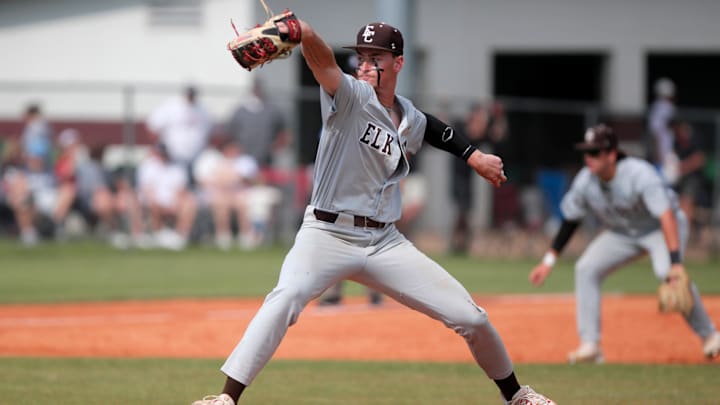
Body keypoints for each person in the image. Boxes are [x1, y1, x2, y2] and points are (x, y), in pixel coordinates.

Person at [192, 20, 554, 405]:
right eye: (360, 57)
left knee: (472, 318)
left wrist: (475, 156)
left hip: (384, 242)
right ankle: (226, 399)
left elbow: (431, 127)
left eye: (374, 58)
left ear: (397, 63)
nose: (363, 65)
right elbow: (323, 64)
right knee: (285, 298)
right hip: (326, 235)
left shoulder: (407, 116)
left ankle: (516, 396)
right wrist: (308, 36)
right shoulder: (349, 96)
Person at [528, 124, 720, 364]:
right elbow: (571, 220)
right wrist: (549, 261)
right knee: (586, 268)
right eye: (586, 152)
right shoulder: (585, 181)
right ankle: (591, 345)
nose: (589, 158)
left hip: (660, 229)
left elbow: (666, 216)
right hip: (622, 233)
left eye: (595, 152)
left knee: (668, 272)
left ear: (611, 154)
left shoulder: (639, 174)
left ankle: (710, 335)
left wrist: (676, 263)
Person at [146, 85, 214, 183]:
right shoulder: (171, 106)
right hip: (173, 157)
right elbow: (153, 127)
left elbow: (209, 132)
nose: (191, 97)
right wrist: (157, 149)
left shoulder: (203, 109)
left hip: (196, 157)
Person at [136, 143, 198, 250]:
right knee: (152, 203)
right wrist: (159, 203)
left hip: (174, 202)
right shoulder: (147, 166)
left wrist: (175, 204)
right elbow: (147, 190)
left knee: (190, 202)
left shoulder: (178, 167)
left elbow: (181, 190)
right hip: (154, 201)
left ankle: (181, 237)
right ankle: (158, 234)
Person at [449, 102, 490, 254]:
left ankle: (462, 243)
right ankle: (456, 243)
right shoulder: (460, 127)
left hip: (468, 179)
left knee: (466, 211)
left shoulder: (480, 135)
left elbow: (497, 137)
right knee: (461, 211)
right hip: (457, 177)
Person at [225, 78, 291, 168]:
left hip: (266, 159)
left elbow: (284, 132)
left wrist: (275, 146)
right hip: (244, 159)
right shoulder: (240, 112)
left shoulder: (272, 110)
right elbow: (230, 135)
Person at [647, 77, 679, 184]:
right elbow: (656, 132)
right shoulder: (663, 107)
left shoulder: (657, 107)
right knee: (663, 183)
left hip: (665, 151)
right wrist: (658, 153)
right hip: (662, 152)